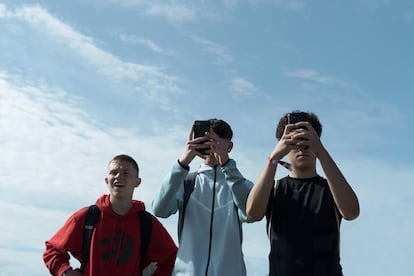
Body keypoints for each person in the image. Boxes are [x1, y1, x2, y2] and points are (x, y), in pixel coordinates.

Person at [246, 111, 360, 276]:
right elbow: (252, 213)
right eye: (294, 141)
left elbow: (351, 212)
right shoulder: (275, 188)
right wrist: (274, 158)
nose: (301, 147)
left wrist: (320, 151)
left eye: (306, 140)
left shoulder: (332, 188)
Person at [43, 154, 177, 276]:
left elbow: (172, 259)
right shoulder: (87, 217)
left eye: (126, 173)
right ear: (107, 180)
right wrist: (66, 272)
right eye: (114, 173)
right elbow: (52, 250)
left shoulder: (147, 223)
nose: (119, 176)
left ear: (137, 182)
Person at [151, 119, 253, 276]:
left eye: (215, 140)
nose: (209, 145)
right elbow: (160, 210)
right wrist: (182, 163)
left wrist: (228, 166)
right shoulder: (186, 182)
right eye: (205, 140)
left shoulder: (241, 184)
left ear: (229, 146)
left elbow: (249, 214)